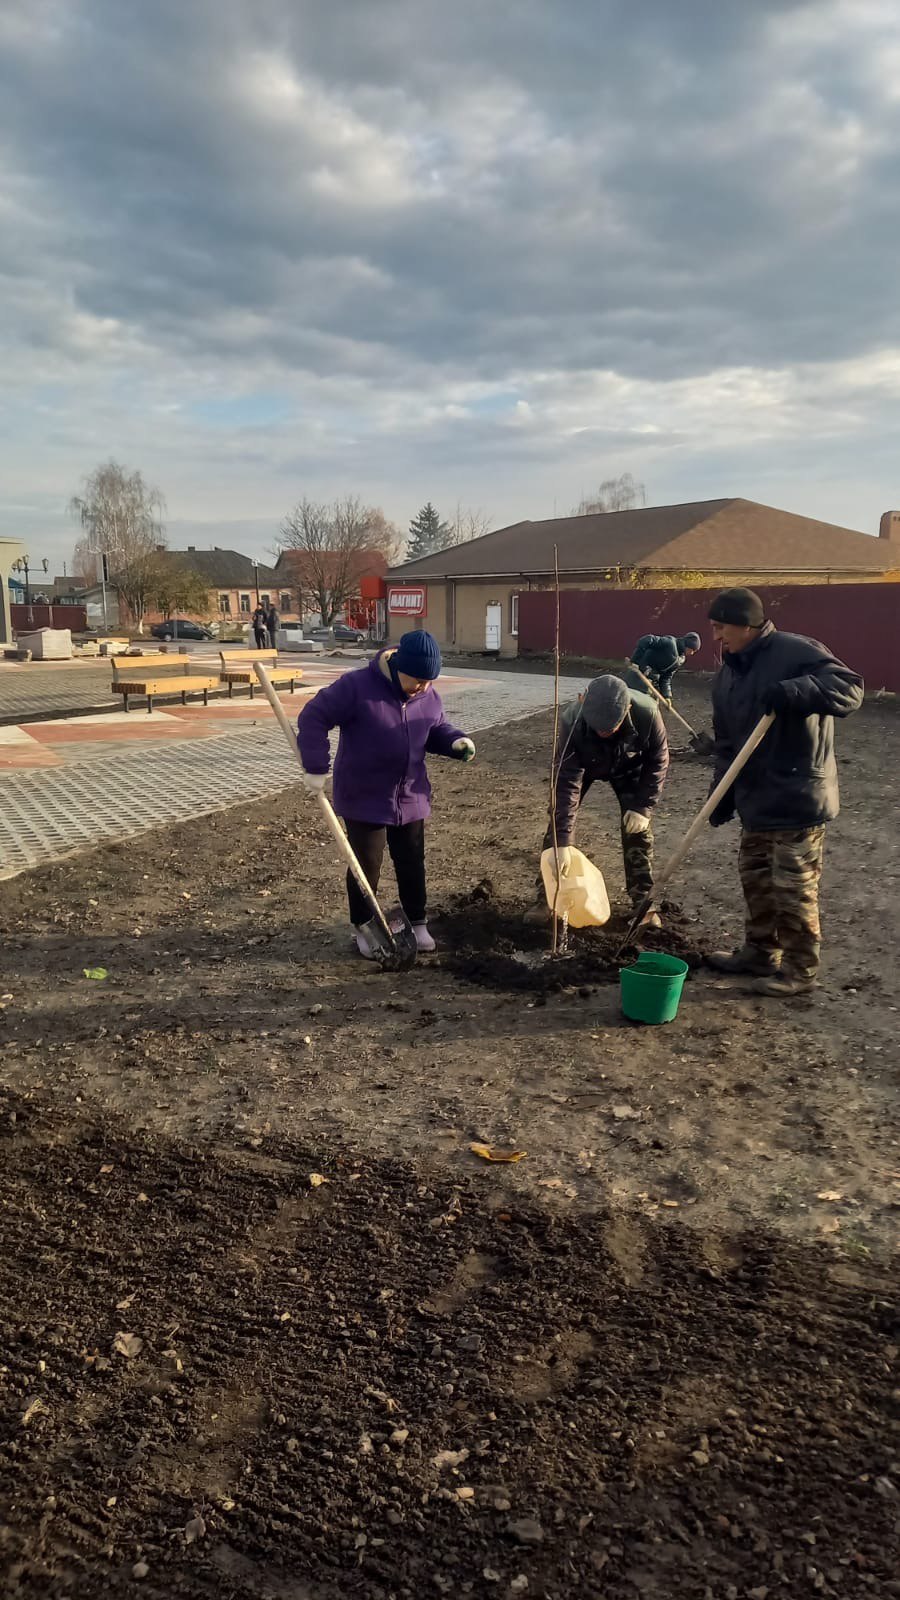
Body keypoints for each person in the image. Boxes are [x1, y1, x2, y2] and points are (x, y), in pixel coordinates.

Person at [706, 587, 863, 998]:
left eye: (721, 627)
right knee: (755, 881)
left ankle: (799, 970)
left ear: (746, 624)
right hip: (755, 799)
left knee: (792, 888)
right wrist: (721, 796)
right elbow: (727, 744)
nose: (716, 636)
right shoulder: (727, 676)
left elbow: (850, 689)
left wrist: (796, 691)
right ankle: (759, 954)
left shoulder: (795, 651)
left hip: (797, 795)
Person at [297, 630, 475, 958]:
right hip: (364, 795)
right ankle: (366, 927)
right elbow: (313, 716)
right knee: (366, 863)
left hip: (410, 795)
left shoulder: (429, 695)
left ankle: (417, 922)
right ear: (398, 666)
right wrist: (315, 765)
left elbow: (434, 728)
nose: (422, 686)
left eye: (428, 681)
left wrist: (454, 741)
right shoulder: (357, 687)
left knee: (411, 860)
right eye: (417, 679)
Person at [530, 673, 669, 928]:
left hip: (629, 766)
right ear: (583, 702)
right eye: (598, 727)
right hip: (585, 765)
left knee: (638, 830)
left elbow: (658, 760)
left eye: (611, 728)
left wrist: (643, 807)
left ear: (627, 708)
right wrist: (563, 842)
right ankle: (547, 900)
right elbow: (566, 782)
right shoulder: (572, 719)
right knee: (557, 825)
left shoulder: (648, 713)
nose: (604, 733)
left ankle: (644, 907)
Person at [627, 631, 701, 702]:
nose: (692, 653)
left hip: (653, 685)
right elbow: (647, 639)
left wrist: (667, 696)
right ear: (687, 645)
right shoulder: (669, 643)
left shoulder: (680, 659)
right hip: (638, 677)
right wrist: (636, 661)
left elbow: (667, 677)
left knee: (651, 711)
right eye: (692, 650)